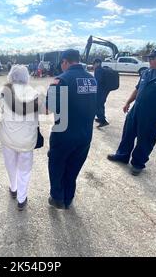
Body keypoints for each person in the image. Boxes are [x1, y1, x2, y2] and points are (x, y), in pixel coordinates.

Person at [107, 47, 156, 176]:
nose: (149, 60)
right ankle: (122, 156)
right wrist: (128, 102)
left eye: (152, 58)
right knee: (128, 134)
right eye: (149, 58)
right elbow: (138, 89)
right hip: (136, 110)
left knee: (145, 140)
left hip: (154, 116)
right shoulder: (147, 72)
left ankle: (138, 164)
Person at [46, 49, 97, 209]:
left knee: (57, 164)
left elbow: (49, 108)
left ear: (65, 62)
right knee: (74, 166)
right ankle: (68, 198)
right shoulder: (92, 80)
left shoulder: (60, 80)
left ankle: (57, 197)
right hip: (86, 134)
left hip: (64, 133)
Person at [0, 65, 42, 210]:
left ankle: (13, 188)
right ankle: (22, 199)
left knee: (11, 165)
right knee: (24, 169)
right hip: (27, 140)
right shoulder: (34, 93)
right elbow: (43, 111)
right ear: (26, 76)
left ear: (11, 75)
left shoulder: (4, 91)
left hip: (8, 138)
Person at [94, 58, 111, 127]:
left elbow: (98, 81)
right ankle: (100, 117)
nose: (93, 65)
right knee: (101, 104)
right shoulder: (102, 69)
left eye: (94, 63)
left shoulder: (98, 70)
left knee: (98, 105)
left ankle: (103, 121)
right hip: (104, 90)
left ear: (97, 63)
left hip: (100, 90)